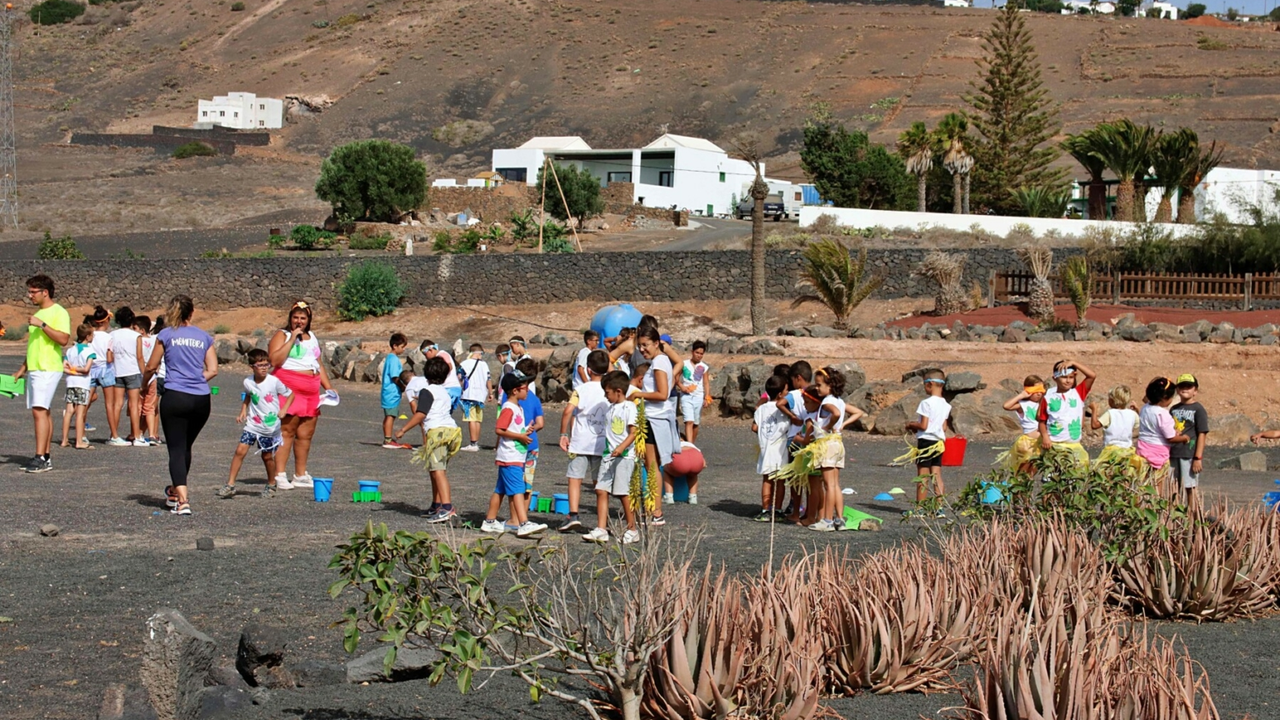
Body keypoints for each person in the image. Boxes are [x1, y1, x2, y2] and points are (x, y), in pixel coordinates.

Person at [143, 295, 217, 516]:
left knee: (175, 448)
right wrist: (196, 380)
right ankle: (175, 491)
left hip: (175, 395)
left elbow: (151, 365)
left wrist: (142, 384)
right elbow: (213, 369)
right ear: (191, 312)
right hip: (201, 399)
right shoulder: (204, 337)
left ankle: (183, 501)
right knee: (185, 446)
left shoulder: (165, 335)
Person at [268, 301, 333, 490]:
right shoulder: (283, 335)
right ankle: (280, 474)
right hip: (289, 387)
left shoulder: (312, 336)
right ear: (290, 318)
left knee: (306, 433)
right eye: (295, 317)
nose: (299, 321)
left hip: (311, 389)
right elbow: (274, 360)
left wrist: (328, 387)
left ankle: (300, 474)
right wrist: (292, 338)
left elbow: (318, 363)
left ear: (308, 319)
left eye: (303, 318)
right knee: (287, 431)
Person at [12, 274, 71, 473]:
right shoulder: (38, 314)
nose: (29, 296)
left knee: (39, 410)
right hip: (36, 367)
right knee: (43, 411)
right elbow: (34, 346)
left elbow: (63, 339)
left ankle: (40, 457)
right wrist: (22, 369)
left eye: (33, 292)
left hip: (47, 367)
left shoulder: (58, 312)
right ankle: (44, 455)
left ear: (45, 292)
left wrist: (42, 325)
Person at [393, 357, 463, 522]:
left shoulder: (426, 391)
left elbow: (420, 414)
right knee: (436, 470)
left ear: (426, 375)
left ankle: (447, 507)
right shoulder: (444, 392)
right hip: (451, 431)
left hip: (437, 433)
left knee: (438, 471)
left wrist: (403, 429)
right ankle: (436, 504)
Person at [218, 349, 294, 499]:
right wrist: (243, 410)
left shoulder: (274, 382)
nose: (264, 367)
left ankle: (271, 484)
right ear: (252, 366)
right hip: (253, 424)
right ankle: (230, 484)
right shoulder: (248, 381)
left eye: (266, 364)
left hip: (269, 426)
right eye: (260, 365)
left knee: (266, 457)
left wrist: (284, 409)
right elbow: (249, 395)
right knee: (240, 451)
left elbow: (291, 394)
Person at [480, 372, 547, 537]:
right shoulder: (509, 408)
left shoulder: (517, 407)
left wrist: (525, 430)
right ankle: (523, 523)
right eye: (524, 388)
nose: (527, 390)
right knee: (518, 489)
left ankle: (489, 521)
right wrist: (520, 436)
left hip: (514, 455)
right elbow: (499, 429)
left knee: (500, 490)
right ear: (515, 391)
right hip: (511, 457)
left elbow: (513, 428)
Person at [557, 349, 611, 532]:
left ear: (588, 370)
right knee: (599, 483)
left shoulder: (580, 389)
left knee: (575, 478)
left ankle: (573, 514)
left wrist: (563, 434)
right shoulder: (609, 390)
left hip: (580, 442)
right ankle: (601, 520)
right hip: (601, 443)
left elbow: (567, 411)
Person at [584, 371, 640, 543]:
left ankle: (632, 529)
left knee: (623, 492)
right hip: (609, 456)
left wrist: (621, 447)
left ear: (618, 391)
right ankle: (601, 529)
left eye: (607, 392)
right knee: (601, 489)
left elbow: (634, 431)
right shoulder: (610, 408)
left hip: (625, 457)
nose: (605, 396)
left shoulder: (629, 407)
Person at [633, 327, 679, 525]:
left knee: (651, 466)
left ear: (656, 343)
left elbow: (662, 394)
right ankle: (652, 508)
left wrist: (637, 394)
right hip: (654, 417)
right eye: (640, 346)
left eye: (646, 345)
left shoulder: (660, 362)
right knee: (651, 465)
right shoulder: (659, 362)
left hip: (655, 418)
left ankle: (655, 511)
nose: (642, 349)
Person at [904, 369, 952, 518]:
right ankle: (939, 508)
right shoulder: (945, 404)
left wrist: (911, 424)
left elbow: (923, 425)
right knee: (936, 474)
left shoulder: (926, 403)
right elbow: (944, 427)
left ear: (930, 384)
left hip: (926, 441)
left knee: (922, 475)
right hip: (939, 442)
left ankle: (920, 508)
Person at [1037, 358, 1097, 468]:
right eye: (1064, 377)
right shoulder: (1048, 398)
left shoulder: (1078, 393)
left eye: (1071, 377)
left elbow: (1092, 376)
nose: (1068, 381)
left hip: (1073, 445)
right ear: (1055, 378)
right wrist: (1045, 437)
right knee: (1053, 477)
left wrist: (1074, 363)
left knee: (1074, 476)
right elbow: (1042, 421)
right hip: (1054, 445)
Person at [1136, 377, 1189, 495]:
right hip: (1158, 453)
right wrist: (1183, 438)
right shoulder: (1163, 414)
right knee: (1158, 483)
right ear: (1165, 398)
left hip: (1143, 449)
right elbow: (1170, 437)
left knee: (1143, 482)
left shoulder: (1145, 408)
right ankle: (1156, 505)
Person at [777, 361, 813, 521]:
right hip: (812, 439)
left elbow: (780, 403)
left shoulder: (795, 394)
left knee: (796, 478)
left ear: (798, 378)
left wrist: (792, 416)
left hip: (794, 438)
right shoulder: (815, 392)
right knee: (811, 478)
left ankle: (796, 512)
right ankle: (810, 513)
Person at [752, 375, 790, 521]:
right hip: (780, 450)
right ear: (780, 393)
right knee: (780, 481)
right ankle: (778, 510)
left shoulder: (760, 409)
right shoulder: (784, 409)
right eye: (786, 390)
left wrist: (764, 435)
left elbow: (754, 427)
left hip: (765, 448)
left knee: (767, 480)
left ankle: (765, 509)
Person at [107, 306, 146, 446]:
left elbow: (110, 354)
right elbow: (140, 357)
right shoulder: (136, 336)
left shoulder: (112, 335)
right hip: (133, 371)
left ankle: (114, 435)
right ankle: (136, 436)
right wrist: (144, 374)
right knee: (134, 405)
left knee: (117, 404)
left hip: (117, 371)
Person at [1170, 374, 1210, 509]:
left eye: (1189, 386)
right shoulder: (1174, 409)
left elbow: (1202, 434)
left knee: (1190, 487)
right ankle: (1175, 517)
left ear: (1195, 391)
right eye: (1182, 386)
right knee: (1173, 487)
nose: (1185, 389)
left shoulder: (1198, 409)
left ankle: (1193, 517)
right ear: (1177, 389)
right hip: (1173, 453)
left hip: (1189, 454)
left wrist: (1198, 457)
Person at [59, 323, 97, 450]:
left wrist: (72, 370)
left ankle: (64, 439)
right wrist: (77, 369)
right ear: (87, 336)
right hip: (82, 384)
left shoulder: (71, 350)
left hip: (71, 382)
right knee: (80, 413)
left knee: (69, 411)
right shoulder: (90, 352)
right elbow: (86, 369)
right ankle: (79, 441)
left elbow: (63, 367)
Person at [999, 376, 1046, 473]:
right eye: (1035, 390)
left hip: (1039, 443)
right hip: (1028, 443)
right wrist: (1021, 395)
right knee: (1022, 472)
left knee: (1032, 472)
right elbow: (1006, 406)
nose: (1039, 393)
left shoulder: (1042, 404)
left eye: (1041, 390)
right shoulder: (1023, 404)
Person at [515, 357, 545, 500]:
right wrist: (530, 430)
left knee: (514, 484)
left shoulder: (511, 396)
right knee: (527, 485)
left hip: (515, 445)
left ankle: (515, 517)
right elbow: (541, 423)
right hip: (532, 444)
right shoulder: (534, 398)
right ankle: (523, 519)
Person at [1090, 385, 1140, 470]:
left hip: (1111, 451)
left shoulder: (1110, 413)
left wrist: (1094, 410)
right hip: (1127, 451)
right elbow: (1138, 423)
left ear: (1112, 401)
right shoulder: (1132, 414)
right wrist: (1137, 409)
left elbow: (1094, 425)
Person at [85, 305, 115, 434]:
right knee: (109, 404)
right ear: (106, 321)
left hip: (91, 368)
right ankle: (114, 434)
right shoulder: (109, 338)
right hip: (105, 369)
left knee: (86, 402)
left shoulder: (90, 335)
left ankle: (82, 433)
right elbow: (109, 359)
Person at [458, 343, 492, 452]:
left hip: (469, 395)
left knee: (471, 419)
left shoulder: (464, 364)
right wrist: (490, 392)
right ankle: (476, 442)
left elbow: (459, 378)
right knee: (478, 419)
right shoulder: (484, 365)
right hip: (481, 396)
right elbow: (489, 379)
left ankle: (473, 443)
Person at [677, 340, 713, 444]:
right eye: (697, 353)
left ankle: (692, 443)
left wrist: (707, 397)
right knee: (689, 421)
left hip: (698, 396)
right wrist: (682, 387)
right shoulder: (684, 364)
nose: (699, 355)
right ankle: (689, 444)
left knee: (696, 423)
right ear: (692, 352)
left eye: (701, 354)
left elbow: (706, 383)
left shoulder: (704, 367)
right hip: (686, 396)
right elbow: (676, 378)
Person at [135, 315, 162, 446]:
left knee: (138, 405)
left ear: (141, 330)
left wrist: (143, 374)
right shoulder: (155, 340)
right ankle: (151, 434)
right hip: (154, 376)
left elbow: (139, 357)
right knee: (150, 407)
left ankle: (137, 433)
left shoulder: (138, 340)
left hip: (143, 374)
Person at [381, 333, 410, 449]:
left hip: (389, 392)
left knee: (389, 415)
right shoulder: (393, 359)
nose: (403, 349)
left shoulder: (390, 358)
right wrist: (402, 386)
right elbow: (394, 376)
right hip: (391, 392)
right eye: (402, 347)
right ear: (395, 346)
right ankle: (388, 440)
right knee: (390, 415)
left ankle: (387, 437)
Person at [420, 340, 462, 411]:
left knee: (439, 411)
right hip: (452, 388)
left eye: (425, 354)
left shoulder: (441, 355)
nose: (426, 358)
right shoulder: (441, 355)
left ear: (430, 350)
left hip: (449, 387)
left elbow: (449, 366)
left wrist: (438, 377)